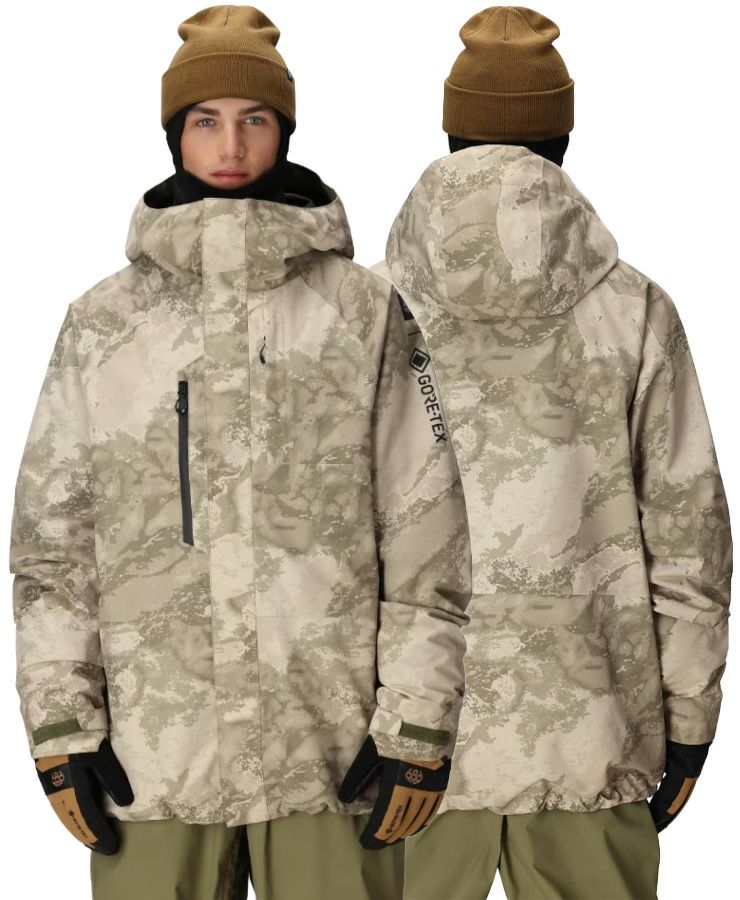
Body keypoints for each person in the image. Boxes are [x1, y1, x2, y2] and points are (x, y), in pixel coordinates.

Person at [9, 6, 473, 899]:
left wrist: (418, 725)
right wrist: (62, 723)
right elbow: (53, 547)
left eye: (254, 118)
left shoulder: (363, 311)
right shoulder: (104, 322)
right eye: (204, 120)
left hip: (331, 754)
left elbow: (428, 529)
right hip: (153, 761)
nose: (230, 144)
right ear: (173, 133)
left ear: (284, 130)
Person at [372, 6, 733, 899]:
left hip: (404, 752)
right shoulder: (634, 310)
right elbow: (688, 533)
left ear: (451, 133)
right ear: (563, 138)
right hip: (590, 738)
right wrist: (691, 717)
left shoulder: (364, 310)